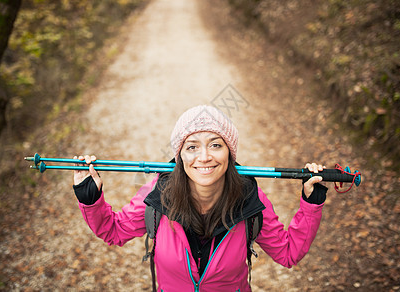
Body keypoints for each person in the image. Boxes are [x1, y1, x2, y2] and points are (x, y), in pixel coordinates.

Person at [72, 105, 328, 291]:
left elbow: (287, 253)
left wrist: (311, 204)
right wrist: (90, 197)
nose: (204, 157)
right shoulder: (159, 194)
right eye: (192, 146)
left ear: (230, 153)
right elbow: (114, 231)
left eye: (216, 145)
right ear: (180, 156)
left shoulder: (249, 198)